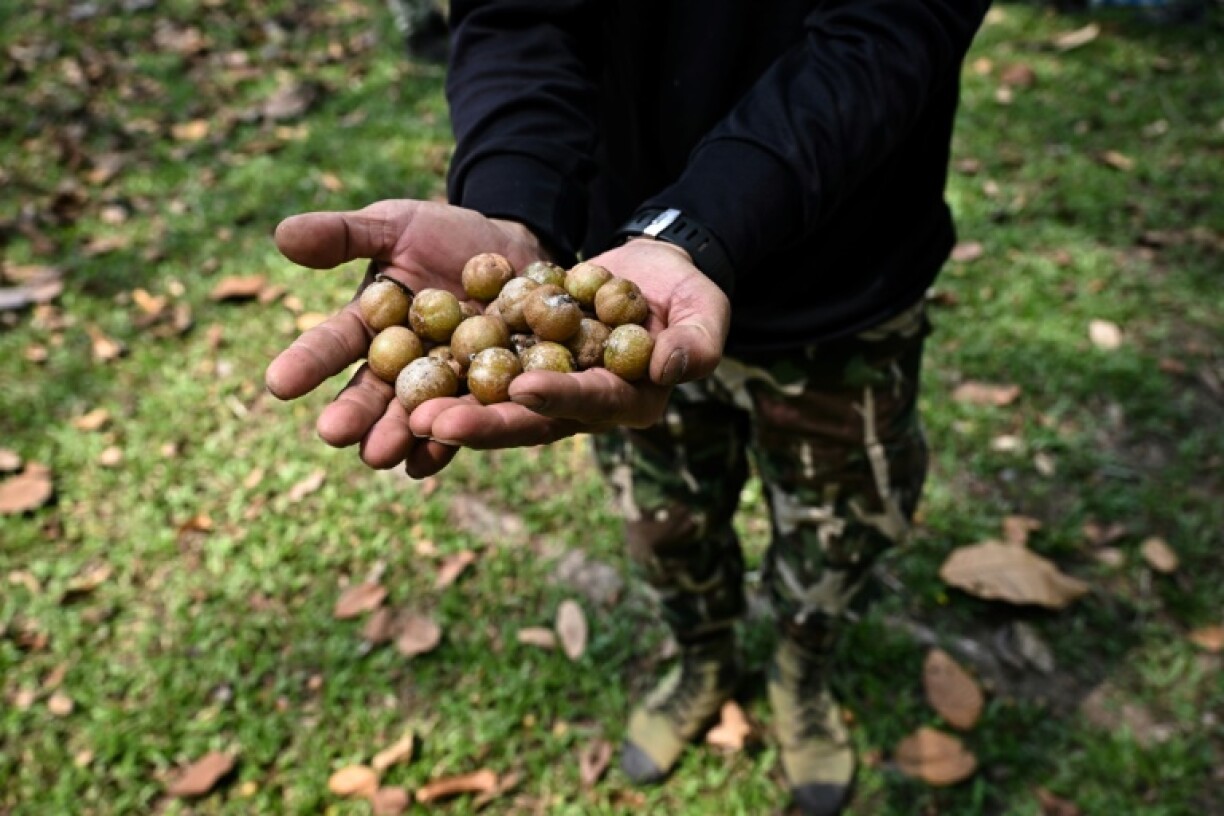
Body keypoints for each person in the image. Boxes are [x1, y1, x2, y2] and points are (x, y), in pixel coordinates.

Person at [265, 2, 990, 813]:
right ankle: (705, 657)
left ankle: (801, 671)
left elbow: (893, 29)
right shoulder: (560, 318)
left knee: (842, 530)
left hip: (847, 279)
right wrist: (512, 204)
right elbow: (515, 14)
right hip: (634, 283)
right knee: (665, 525)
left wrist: (699, 228)